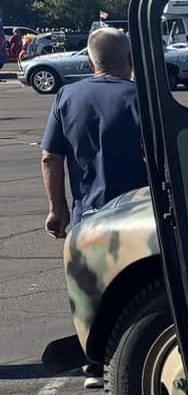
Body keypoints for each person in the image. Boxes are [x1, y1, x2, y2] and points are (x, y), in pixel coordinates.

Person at [41, 30, 146, 241]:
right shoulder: (141, 98)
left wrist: (57, 208)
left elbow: (50, 158)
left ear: (91, 62)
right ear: (130, 59)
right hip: (140, 216)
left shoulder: (66, 96)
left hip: (89, 218)